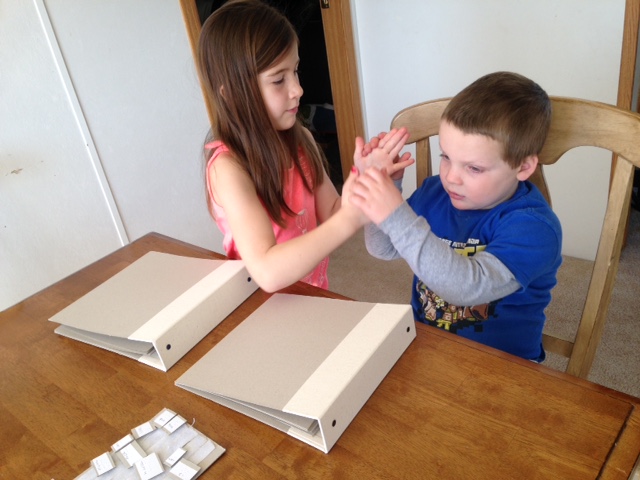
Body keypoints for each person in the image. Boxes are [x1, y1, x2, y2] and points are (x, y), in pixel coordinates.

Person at [197, 0, 412, 292]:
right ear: (232, 94)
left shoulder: (302, 143)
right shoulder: (228, 169)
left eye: (295, 71)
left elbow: (334, 211)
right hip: (259, 308)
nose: (298, 89)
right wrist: (349, 218)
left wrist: (363, 182)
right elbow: (268, 272)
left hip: (313, 292)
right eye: (278, 80)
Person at [350, 71, 562, 362]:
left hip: (505, 368)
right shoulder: (435, 192)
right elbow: (382, 248)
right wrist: (385, 187)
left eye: (473, 168)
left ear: (523, 167)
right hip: (426, 346)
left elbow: (466, 287)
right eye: (445, 156)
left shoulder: (534, 227)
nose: (451, 177)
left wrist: (395, 212)